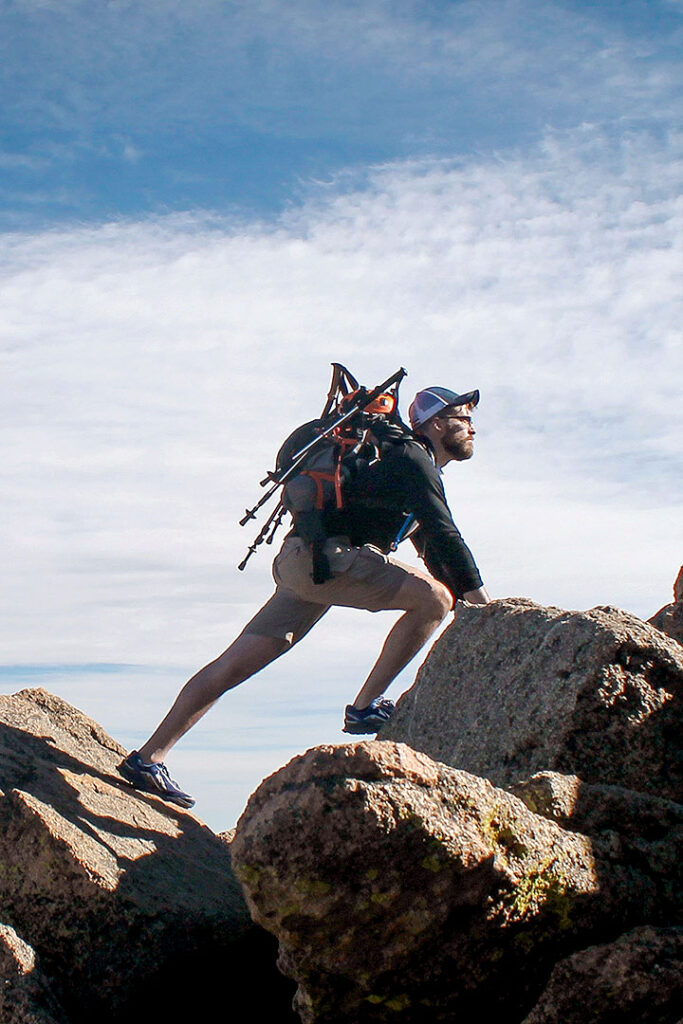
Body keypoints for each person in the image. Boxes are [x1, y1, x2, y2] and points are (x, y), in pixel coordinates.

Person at [118, 384, 491, 808]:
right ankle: (365, 707)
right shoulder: (412, 459)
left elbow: (434, 548)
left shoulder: (406, 463)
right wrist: (487, 610)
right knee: (434, 600)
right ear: (436, 423)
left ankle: (148, 758)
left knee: (232, 666)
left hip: (305, 562)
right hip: (323, 560)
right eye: (464, 419)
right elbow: (446, 534)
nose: (473, 428)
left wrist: (471, 604)